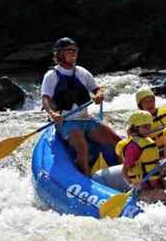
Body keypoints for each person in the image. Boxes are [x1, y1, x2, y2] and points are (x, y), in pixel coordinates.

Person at [41, 37, 121, 177]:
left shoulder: (82, 72)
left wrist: (99, 95)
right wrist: (53, 114)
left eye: (75, 51)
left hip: (86, 119)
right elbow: (45, 99)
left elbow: (97, 89)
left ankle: (126, 174)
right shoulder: (51, 75)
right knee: (82, 147)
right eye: (69, 51)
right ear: (59, 54)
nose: (73, 54)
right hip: (66, 122)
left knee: (117, 141)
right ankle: (85, 176)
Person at [92, 110, 166, 211]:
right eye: (145, 127)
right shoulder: (133, 146)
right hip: (144, 190)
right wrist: (131, 184)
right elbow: (124, 171)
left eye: (149, 126)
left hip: (157, 183)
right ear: (135, 128)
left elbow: (156, 165)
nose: (148, 129)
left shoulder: (147, 141)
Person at [134, 88, 166, 157]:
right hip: (159, 155)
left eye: (151, 100)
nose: (149, 104)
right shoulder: (140, 122)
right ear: (140, 106)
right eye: (145, 102)